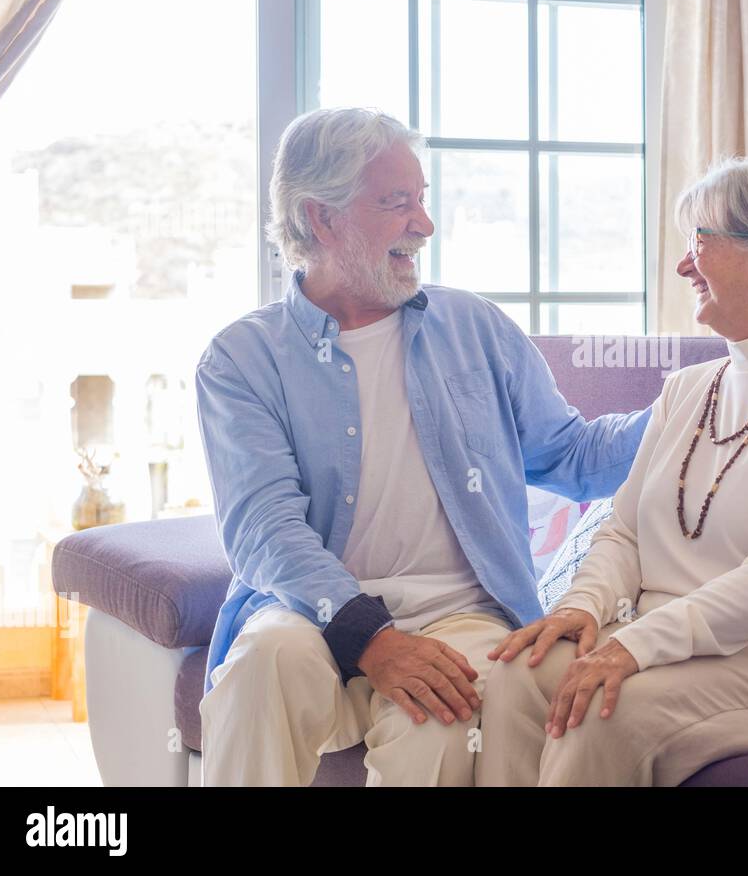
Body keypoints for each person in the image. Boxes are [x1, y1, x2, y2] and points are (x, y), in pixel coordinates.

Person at [194, 107, 648, 786]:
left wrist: (696, 404)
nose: (423, 224)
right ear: (321, 218)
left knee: (443, 727)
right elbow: (266, 532)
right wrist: (370, 639)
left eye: (422, 199)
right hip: (307, 611)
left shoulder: (476, 328)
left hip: (460, 615)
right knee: (262, 666)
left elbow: (573, 456)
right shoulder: (242, 359)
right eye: (395, 202)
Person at [477, 156, 748, 786]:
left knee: (600, 710)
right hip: (670, 642)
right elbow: (622, 532)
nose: (683, 265)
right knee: (512, 675)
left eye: (699, 242)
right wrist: (583, 607)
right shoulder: (688, 389)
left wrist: (635, 646)